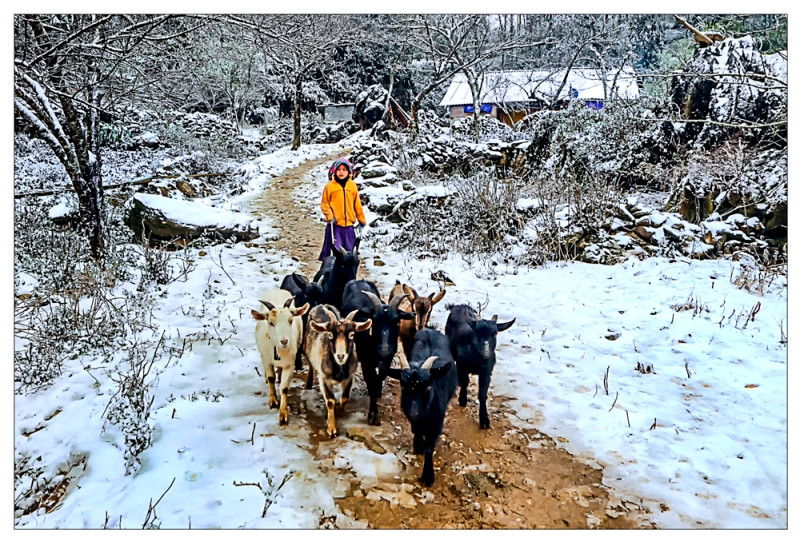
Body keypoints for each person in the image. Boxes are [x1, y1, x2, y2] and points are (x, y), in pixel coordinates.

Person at [318, 158, 366, 261]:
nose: (341, 172)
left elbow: (357, 204)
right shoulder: (329, 187)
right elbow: (325, 204)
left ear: (348, 171)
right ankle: (332, 268)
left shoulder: (352, 186)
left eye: (344, 170)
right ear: (334, 171)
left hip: (349, 226)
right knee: (337, 251)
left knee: (350, 252)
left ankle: (349, 270)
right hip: (335, 225)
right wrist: (329, 216)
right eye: (339, 169)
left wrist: (361, 219)